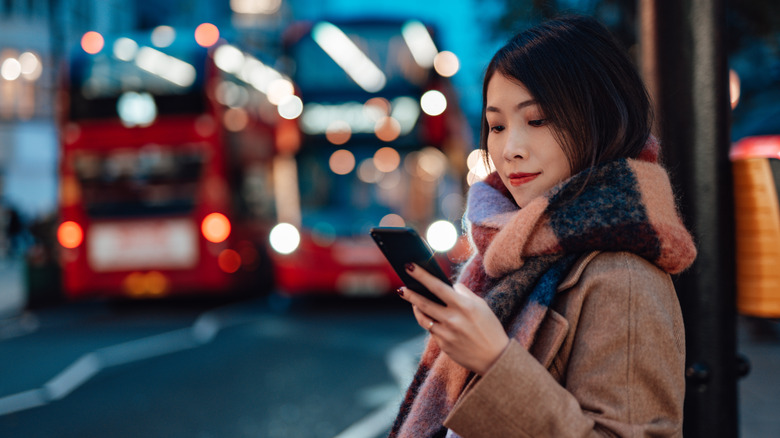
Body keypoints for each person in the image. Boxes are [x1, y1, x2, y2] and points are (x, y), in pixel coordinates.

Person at [389, 15, 697, 438]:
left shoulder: (621, 278)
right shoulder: (508, 254)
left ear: (598, 120)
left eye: (537, 120)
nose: (510, 148)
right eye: (497, 126)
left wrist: (494, 359)